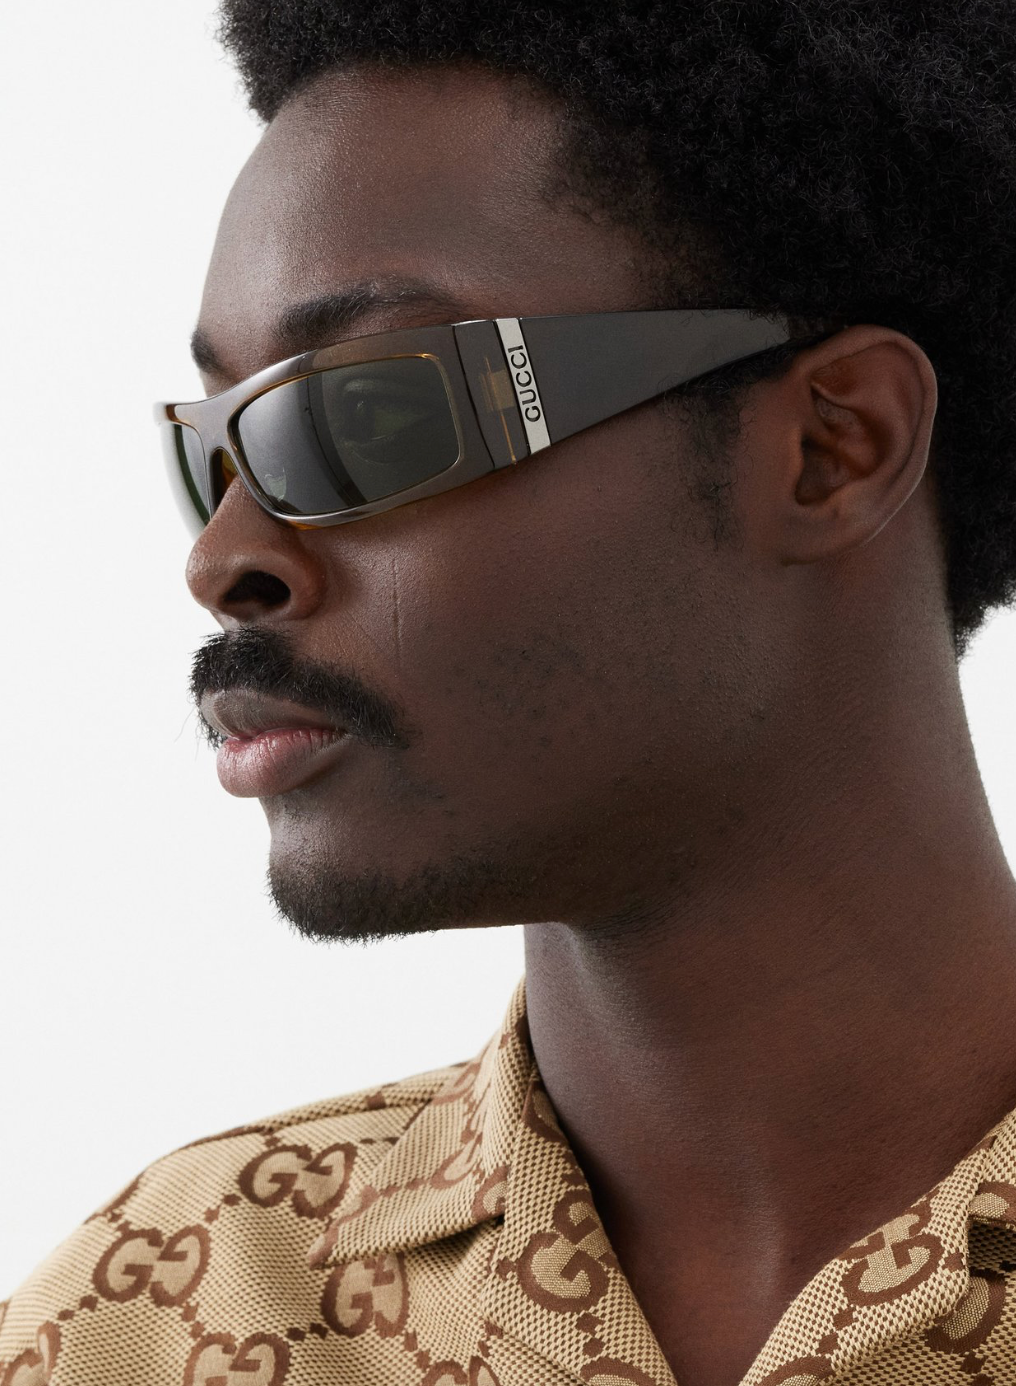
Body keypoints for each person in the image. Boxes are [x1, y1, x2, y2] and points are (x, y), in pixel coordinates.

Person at [4, 3, 1016, 1384]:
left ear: (834, 447)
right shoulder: (143, 1321)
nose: (226, 559)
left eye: (370, 414)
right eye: (220, 451)